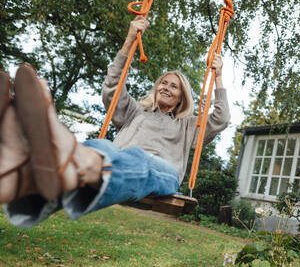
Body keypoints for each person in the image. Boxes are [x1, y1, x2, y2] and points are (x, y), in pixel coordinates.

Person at [0, 16, 230, 228]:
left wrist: (218, 76)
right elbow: (112, 87)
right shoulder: (135, 111)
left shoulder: (188, 125)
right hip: (117, 158)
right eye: (163, 83)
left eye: (173, 85)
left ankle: (68, 157)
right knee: (102, 146)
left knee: (136, 158)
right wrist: (130, 41)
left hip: (163, 173)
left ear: (182, 96)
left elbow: (221, 118)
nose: (165, 88)